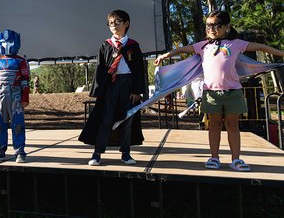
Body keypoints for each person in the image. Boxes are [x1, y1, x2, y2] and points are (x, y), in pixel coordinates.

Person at [154, 10, 284, 172]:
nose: (212, 29)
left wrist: (281, 53)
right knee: (214, 125)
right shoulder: (203, 46)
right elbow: (182, 50)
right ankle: (214, 157)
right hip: (211, 93)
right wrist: (165, 55)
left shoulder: (236, 44)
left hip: (233, 92)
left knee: (232, 125)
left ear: (227, 27)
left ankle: (236, 159)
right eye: (209, 25)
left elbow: (261, 47)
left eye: (217, 25)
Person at [78, 10, 146, 166]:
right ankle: (97, 153)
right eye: (110, 23)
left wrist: (137, 90)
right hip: (110, 85)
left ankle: (126, 153)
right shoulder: (105, 45)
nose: (114, 25)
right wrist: (98, 90)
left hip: (128, 85)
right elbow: (100, 68)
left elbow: (138, 69)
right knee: (105, 118)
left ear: (126, 23)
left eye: (117, 22)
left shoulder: (133, 45)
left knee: (126, 118)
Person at [0, 29, 30, 163]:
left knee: (18, 124)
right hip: (1, 97)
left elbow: (25, 81)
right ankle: (0, 151)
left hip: (15, 97)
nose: (6, 45)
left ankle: (20, 152)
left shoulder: (21, 61)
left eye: (10, 42)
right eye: (3, 42)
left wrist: (25, 98)